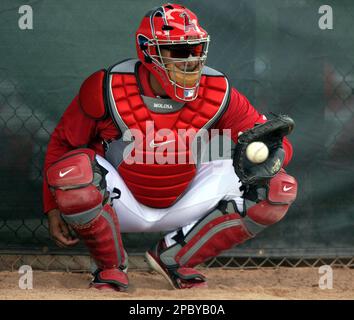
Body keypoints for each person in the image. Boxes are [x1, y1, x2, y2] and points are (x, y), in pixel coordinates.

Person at [43, 3, 297, 291]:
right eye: (178, 51)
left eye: (196, 49)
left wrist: (275, 154)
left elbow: (272, 142)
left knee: (276, 187)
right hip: (119, 200)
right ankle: (110, 267)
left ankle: (176, 257)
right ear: (148, 51)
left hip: (184, 198)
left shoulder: (218, 90)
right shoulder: (107, 87)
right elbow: (62, 144)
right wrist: (51, 208)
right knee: (74, 172)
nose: (190, 60)